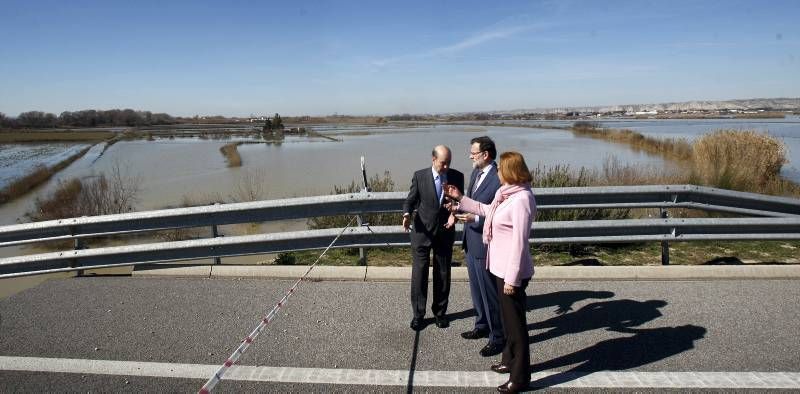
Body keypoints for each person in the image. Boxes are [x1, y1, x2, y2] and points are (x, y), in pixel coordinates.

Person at [445, 151, 536, 393]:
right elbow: (486, 211)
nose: (496, 172)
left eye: (500, 169)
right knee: (507, 321)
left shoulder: (522, 199)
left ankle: (521, 376)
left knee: (516, 326)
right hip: (498, 267)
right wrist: (460, 197)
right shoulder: (505, 194)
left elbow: (519, 242)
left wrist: (513, 279)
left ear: (510, 170)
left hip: (511, 272)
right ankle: (508, 360)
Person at [402, 145, 464, 331]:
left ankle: (440, 313)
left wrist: (456, 212)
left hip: (444, 232)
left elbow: (461, 202)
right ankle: (418, 315)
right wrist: (406, 214)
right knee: (419, 275)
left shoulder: (457, 176)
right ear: (433, 159)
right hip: (422, 233)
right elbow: (410, 200)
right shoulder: (420, 176)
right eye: (443, 163)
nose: (446, 167)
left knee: (443, 274)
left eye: (448, 163)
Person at [457, 136, 504, 358]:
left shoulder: (498, 179)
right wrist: (456, 208)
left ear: (485, 154)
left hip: (485, 244)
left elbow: (498, 214)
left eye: (473, 153)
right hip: (470, 241)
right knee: (476, 291)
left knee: (489, 293)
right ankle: (481, 325)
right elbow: (472, 202)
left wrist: (475, 221)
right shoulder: (476, 173)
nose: (470, 156)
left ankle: (498, 337)